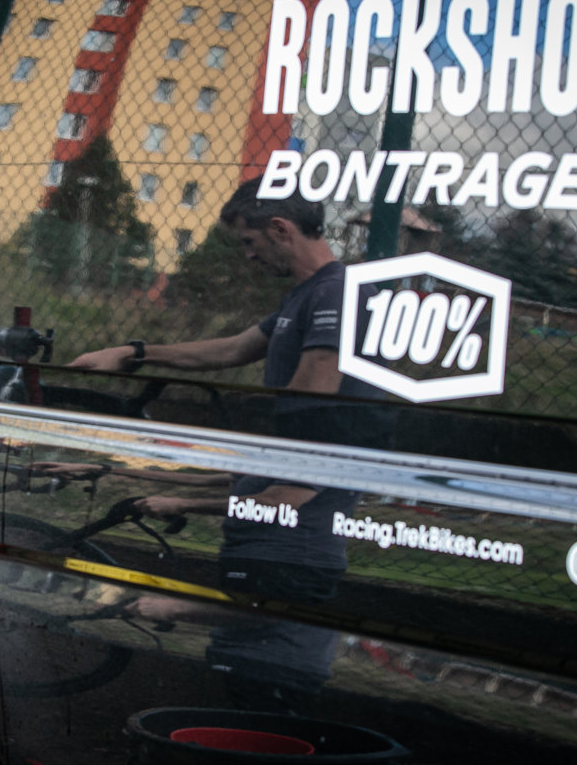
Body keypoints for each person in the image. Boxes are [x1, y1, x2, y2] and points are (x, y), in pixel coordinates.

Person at [68, 177, 393, 711]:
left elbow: (313, 392)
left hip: (298, 533)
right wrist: (134, 352)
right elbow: (231, 349)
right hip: (271, 527)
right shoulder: (306, 295)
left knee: (269, 684)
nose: (248, 256)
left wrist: (187, 498)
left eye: (249, 242)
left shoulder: (337, 293)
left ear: (280, 229)